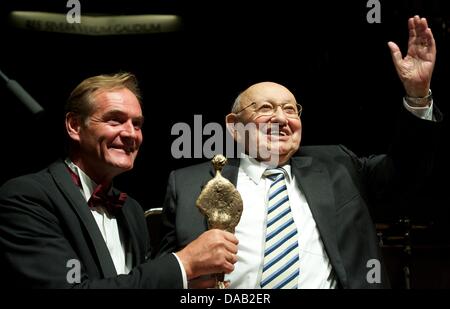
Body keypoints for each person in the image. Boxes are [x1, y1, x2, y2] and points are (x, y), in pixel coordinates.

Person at [157, 15, 443, 288]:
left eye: (290, 109)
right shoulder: (189, 184)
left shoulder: (340, 165)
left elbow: (407, 172)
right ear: (233, 126)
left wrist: (417, 96)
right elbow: (167, 271)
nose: (281, 119)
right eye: (265, 108)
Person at [0, 72, 238, 288]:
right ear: (74, 126)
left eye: (137, 124)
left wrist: (189, 286)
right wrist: (183, 263)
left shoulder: (131, 210)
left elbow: (135, 284)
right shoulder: (27, 196)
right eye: (114, 120)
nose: (130, 134)